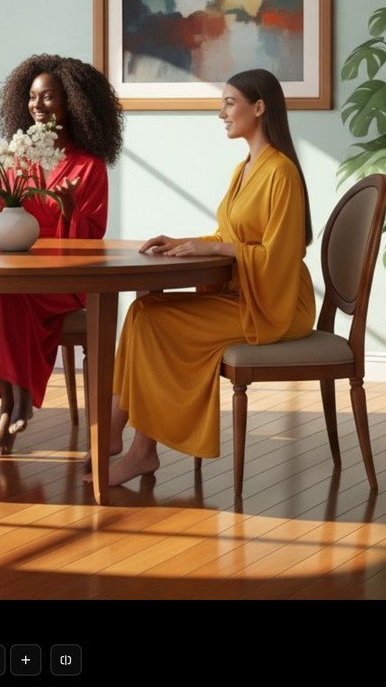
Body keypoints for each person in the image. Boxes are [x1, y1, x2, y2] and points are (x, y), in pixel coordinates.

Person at [97, 68, 316, 486]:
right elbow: (231, 236)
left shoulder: (281, 172)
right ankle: (114, 431)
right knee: (142, 311)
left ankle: (139, 451)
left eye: (229, 102)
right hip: (247, 294)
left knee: (156, 320)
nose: (221, 113)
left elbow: (281, 255)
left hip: (279, 304)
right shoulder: (246, 167)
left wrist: (214, 248)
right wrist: (183, 241)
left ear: (259, 107)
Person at [0, 55, 122, 455]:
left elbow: (92, 241)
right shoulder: (16, 159)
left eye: (49, 97)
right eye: (33, 97)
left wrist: (69, 208)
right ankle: (13, 404)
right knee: (3, 293)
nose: (38, 105)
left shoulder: (89, 167)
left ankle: (11, 407)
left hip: (66, 280)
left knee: (7, 296)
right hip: (16, 274)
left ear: (72, 103)